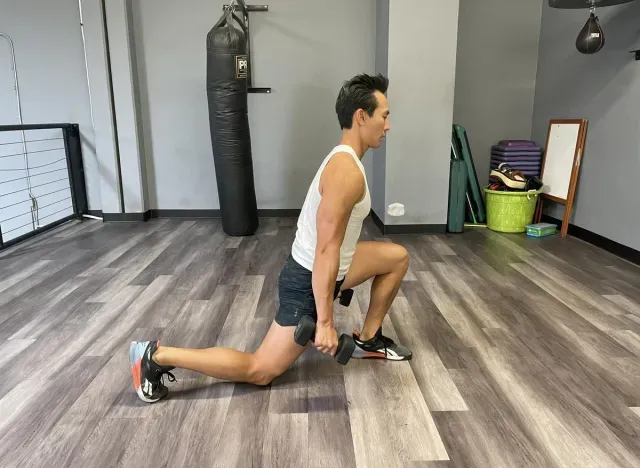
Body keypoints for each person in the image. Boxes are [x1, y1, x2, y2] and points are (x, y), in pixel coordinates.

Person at [129, 73, 413, 403]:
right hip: (308, 278)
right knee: (261, 370)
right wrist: (324, 322)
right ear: (361, 117)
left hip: (332, 268)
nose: (388, 125)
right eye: (384, 116)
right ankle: (154, 356)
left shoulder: (348, 159)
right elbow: (325, 250)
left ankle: (369, 339)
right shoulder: (346, 172)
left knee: (396, 257)